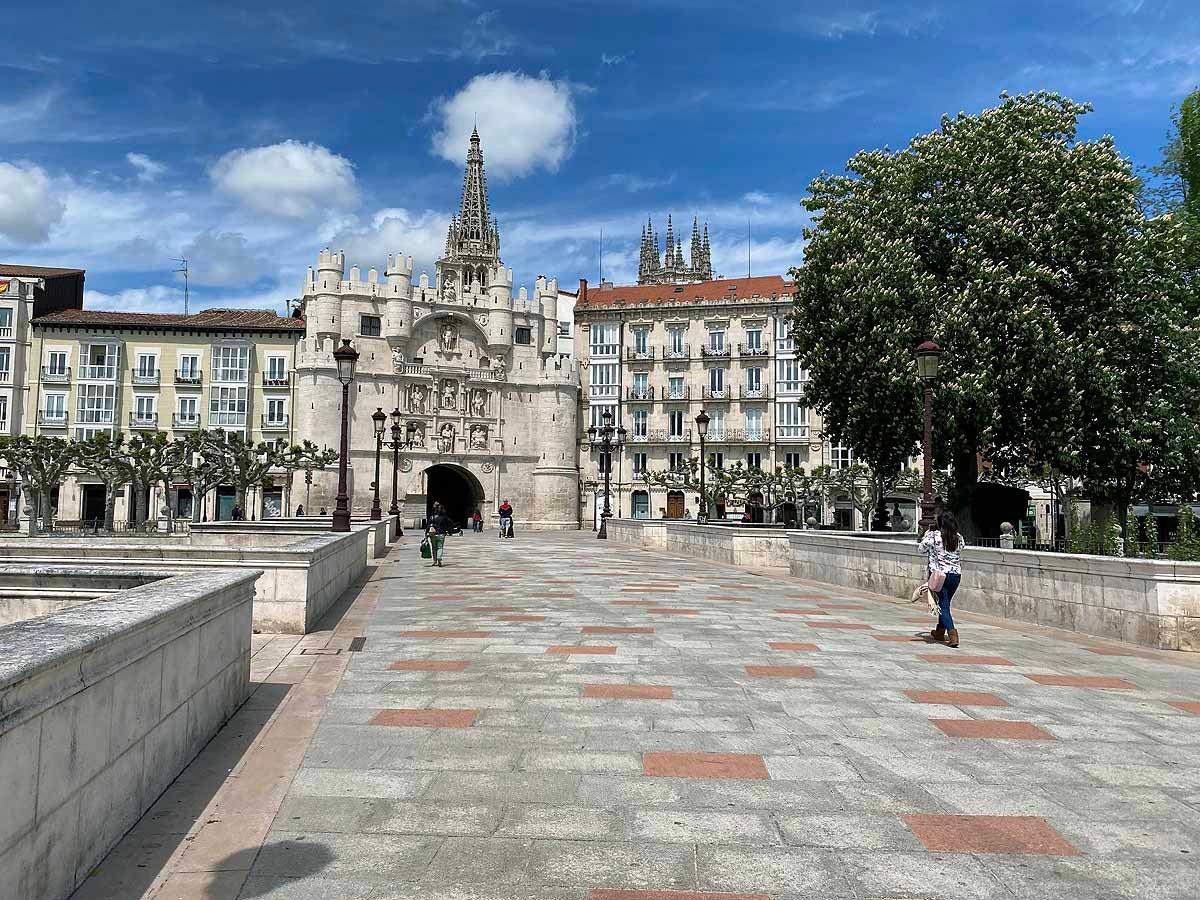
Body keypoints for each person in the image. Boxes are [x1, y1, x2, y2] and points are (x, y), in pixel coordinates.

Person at [919, 511, 965, 647]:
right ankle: (939, 631)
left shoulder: (933, 536)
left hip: (939, 576)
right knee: (945, 603)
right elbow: (961, 548)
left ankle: (953, 635)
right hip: (956, 575)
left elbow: (920, 549)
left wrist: (926, 535)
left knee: (943, 605)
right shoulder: (958, 537)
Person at [427, 502, 452, 566]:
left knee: (434, 548)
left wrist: (426, 533)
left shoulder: (432, 517)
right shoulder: (443, 517)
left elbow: (428, 526)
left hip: (433, 534)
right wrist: (449, 532)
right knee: (440, 547)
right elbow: (448, 525)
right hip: (441, 534)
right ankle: (439, 558)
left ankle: (435, 561)